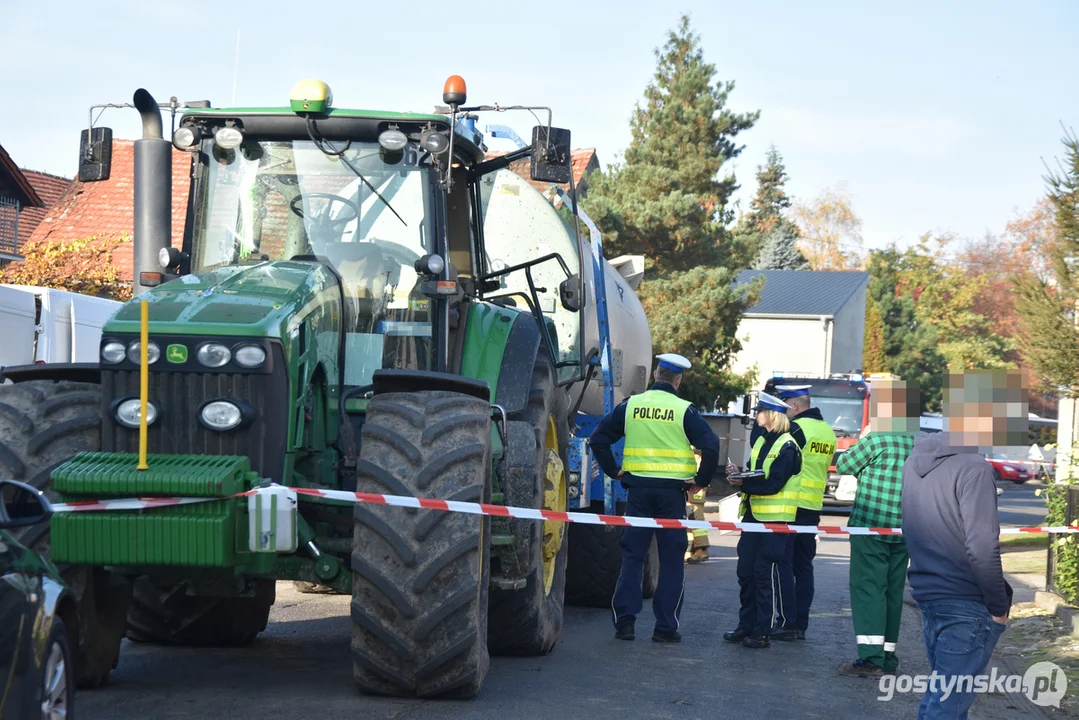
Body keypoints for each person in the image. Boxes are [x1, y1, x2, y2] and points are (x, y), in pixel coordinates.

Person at [903, 370, 1020, 718]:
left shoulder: (915, 462)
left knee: (942, 700)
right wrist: (998, 606)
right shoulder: (975, 469)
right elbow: (982, 545)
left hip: (929, 595)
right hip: (967, 602)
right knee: (946, 707)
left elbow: (913, 526)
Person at [590, 352, 720, 643]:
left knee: (633, 557)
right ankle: (665, 628)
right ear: (678, 380)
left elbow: (598, 439)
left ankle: (625, 623)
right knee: (672, 560)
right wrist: (700, 481)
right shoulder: (684, 409)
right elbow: (711, 445)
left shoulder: (632, 405)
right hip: (672, 495)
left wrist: (614, 471)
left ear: (655, 375)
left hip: (637, 492)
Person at [834, 379, 919, 678]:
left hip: (871, 528)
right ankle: (888, 657)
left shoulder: (876, 440)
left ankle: (870, 659)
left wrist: (865, 436)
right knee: (893, 593)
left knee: (869, 590)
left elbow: (844, 464)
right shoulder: (917, 442)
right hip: (905, 528)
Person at [722, 391, 802, 649]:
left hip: (775, 521)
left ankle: (762, 630)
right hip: (753, 517)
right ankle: (746, 625)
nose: (756, 415)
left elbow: (774, 484)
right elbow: (759, 474)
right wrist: (740, 474)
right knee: (745, 572)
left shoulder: (788, 446)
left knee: (761, 574)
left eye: (760, 411)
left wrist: (742, 484)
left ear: (772, 416)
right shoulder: (761, 441)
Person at [775, 384, 837, 641]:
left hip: (791, 506)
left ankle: (787, 623)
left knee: (784, 566)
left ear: (796, 406)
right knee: (804, 567)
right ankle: (800, 624)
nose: (783, 414)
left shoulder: (796, 429)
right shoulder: (828, 432)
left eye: (785, 408)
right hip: (813, 507)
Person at [685, 451, 710, 563]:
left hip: (694, 494)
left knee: (696, 522)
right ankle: (691, 551)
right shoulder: (696, 456)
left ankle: (701, 550)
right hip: (694, 493)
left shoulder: (694, 457)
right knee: (691, 525)